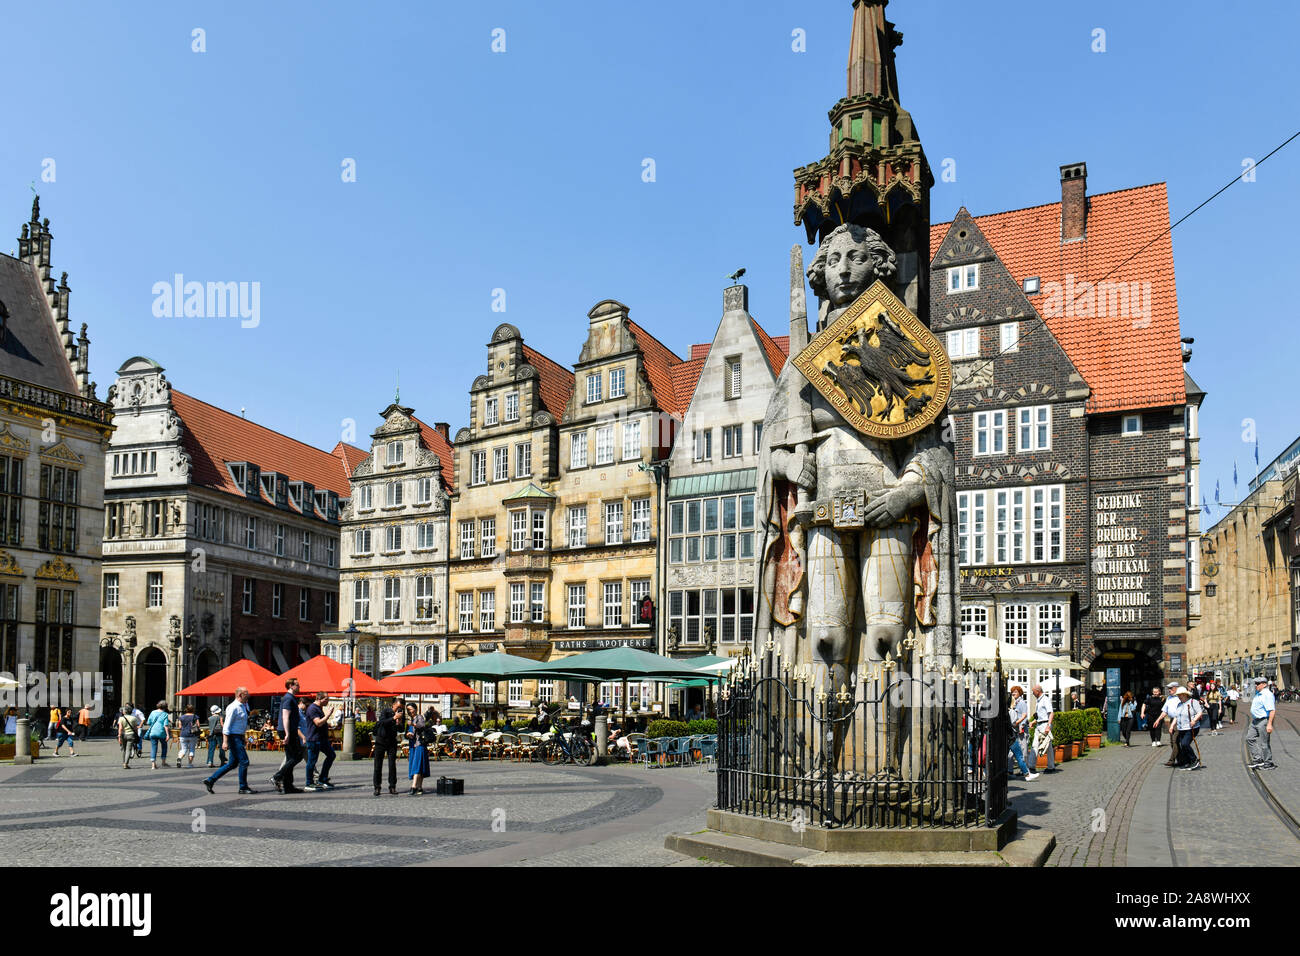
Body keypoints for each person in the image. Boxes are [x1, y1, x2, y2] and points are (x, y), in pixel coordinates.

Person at [204, 687, 255, 794]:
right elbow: (227, 725)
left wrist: (244, 736)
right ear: (240, 694)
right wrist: (225, 741)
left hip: (239, 737)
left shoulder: (243, 706)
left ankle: (211, 780)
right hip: (234, 737)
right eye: (247, 693)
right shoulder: (233, 707)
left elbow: (243, 722)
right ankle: (243, 787)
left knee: (232, 764)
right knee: (244, 762)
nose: (249, 695)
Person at [269, 678, 305, 794]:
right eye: (297, 685)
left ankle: (288, 786)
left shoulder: (291, 698)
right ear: (291, 686)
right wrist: (288, 733)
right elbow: (285, 716)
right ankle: (277, 777)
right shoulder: (288, 698)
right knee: (297, 756)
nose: (299, 687)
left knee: (290, 758)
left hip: (289, 730)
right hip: (287, 731)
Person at [303, 691, 336, 791]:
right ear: (319, 698)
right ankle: (309, 783)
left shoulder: (319, 708)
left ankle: (322, 779)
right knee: (312, 761)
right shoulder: (313, 708)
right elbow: (318, 723)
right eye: (326, 699)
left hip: (321, 739)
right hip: (314, 739)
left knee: (331, 755)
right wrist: (328, 715)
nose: (328, 701)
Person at [1009, 685, 1040, 781]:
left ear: (1020, 693)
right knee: (1013, 751)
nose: (1014, 693)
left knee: (1023, 750)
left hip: (1021, 730)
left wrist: (1021, 725)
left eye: (1015, 692)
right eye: (1012, 692)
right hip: (1014, 729)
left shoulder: (1022, 703)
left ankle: (1024, 770)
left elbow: (1025, 716)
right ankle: (1011, 770)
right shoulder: (1013, 704)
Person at [1246, 676, 1276, 771]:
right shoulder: (1259, 693)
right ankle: (1258, 759)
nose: (1256, 685)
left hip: (1263, 721)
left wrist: (1270, 724)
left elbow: (1272, 710)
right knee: (1249, 738)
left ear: (1264, 684)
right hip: (1255, 721)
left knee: (1264, 743)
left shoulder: (1267, 694)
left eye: (1258, 684)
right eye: (1255, 684)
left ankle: (1268, 762)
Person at [1171, 687, 1203, 770]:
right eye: (1178, 695)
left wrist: (1194, 720)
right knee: (1182, 745)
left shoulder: (1193, 702)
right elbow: (1176, 716)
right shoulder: (1179, 704)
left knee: (1185, 743)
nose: (1179, 696)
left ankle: (1194, 760)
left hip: (1191, 728)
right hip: (1181, 728)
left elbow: (1199, 712)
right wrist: (1172, 725)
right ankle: (1188, 762)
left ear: (1185, 695)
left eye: (1180, 695)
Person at [372, 700, 399, 796]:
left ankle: (392, 786)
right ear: (394, 705)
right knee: (377, 765)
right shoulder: (386, 711)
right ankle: (377, 787)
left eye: (401, 708)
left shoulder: (400, 715)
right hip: (381, 741)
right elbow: (382, 722)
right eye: (398, 706)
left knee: (392, 765)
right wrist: (393, 718)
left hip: (392, 742)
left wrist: (399, 723)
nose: (399, 709)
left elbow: (400, 729)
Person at [405, 703, 429, 795]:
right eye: (408, 710)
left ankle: (414, 786)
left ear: (415, 709)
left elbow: (422, 726)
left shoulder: (419, 717)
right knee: (418, 765)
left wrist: (413, 725)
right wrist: (407, 734)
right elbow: (406, 733)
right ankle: (419, 787)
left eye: (410, 709)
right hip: (412, 745)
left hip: (420, 744)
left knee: (417, 765)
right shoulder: (410, 720)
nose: (409, 711)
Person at [1030, 684, 1055, 772]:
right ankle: (1031, 766)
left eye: (1033, 691)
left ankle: (1051, 766)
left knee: (1048, 747)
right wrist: (1033, 722)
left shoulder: (1045, 699)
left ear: (1038, 691)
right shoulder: (1039, 700)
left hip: (1044, 725)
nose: (1032, 693)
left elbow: (1051, 713)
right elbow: (1040, 716)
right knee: (1035, 745)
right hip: (1039, 725)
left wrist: (1048, 725)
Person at [1158, 682, 1181, 766]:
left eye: (1171, 688)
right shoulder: (1169, 698)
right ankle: (1180, 759)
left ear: (1176, 688)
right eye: (1168, 688)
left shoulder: (1180, 697)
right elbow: (1165, 711)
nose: (1169, 690)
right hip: (1172, 720)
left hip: (1179, 721)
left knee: (1175, 741)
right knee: (1172, 742)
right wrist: (1158, 720)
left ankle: (1172, 760)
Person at [144, 701, 173, 770]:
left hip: (153, 732)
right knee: (164, 746)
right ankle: (163, 762)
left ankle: (153, 765)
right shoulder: (165, 714)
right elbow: (165, 725)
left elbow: (149, 722)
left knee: (154, 747)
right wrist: (168, 735)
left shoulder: (153, 712)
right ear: (165, 707)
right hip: (161, 733)